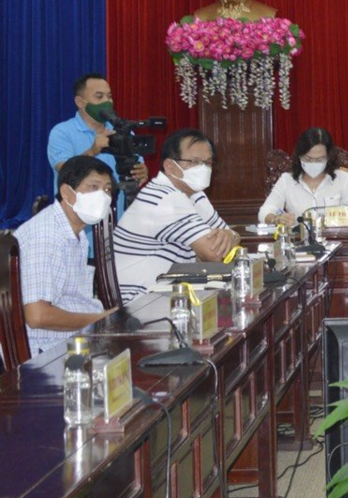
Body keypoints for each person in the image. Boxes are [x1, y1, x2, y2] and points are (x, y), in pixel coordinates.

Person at [114, 129, 240, 300]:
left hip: (167, 293)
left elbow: (228, 244)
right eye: (194, 162)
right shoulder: (164, 197)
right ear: (170, 166)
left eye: (207, 162)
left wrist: (229, 235)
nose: (203, 168)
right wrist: (228, 237)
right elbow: (215, 254)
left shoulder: (195, 195)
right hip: (137, 303)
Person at [14, 156, 117, 356]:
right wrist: (101, 320)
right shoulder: (46, 236)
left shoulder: (74, 232)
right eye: (93, 187)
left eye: (107, 189)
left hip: (73, 338)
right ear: (67, 193)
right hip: (47, 350)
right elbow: (37, 316)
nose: (103, 196)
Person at [47, 73, 148, 187]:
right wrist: (92, 151)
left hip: (119, 198)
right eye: (99, 96)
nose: (107, 101)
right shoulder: (62, 132)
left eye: (109, 96)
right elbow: (65, 172)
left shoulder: (123, 131)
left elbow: (137, 167)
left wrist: (141, 172)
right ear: (80, 102)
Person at [259, 127, 348, 226]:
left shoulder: (343, 179)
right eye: (308, 159)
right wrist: (277, 219)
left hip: (335, 235)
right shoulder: (287, 180)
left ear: (329, 157)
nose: (313, 163)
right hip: (299, 235)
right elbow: (264, 212)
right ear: (299, 156)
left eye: (319, 159)